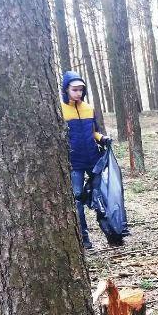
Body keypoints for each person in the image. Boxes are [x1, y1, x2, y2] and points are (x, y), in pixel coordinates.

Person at [60, 71, 113, 250]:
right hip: (74, 162)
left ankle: (111, 233)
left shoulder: (89, 108)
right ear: (66, 89)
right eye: (74, 89)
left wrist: (102, 139)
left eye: (81, 90)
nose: (78, 93)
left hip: (93, 160)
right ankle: (84, 238)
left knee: (100, 196)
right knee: (77, 199)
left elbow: (93, 132)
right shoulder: (60, 110)